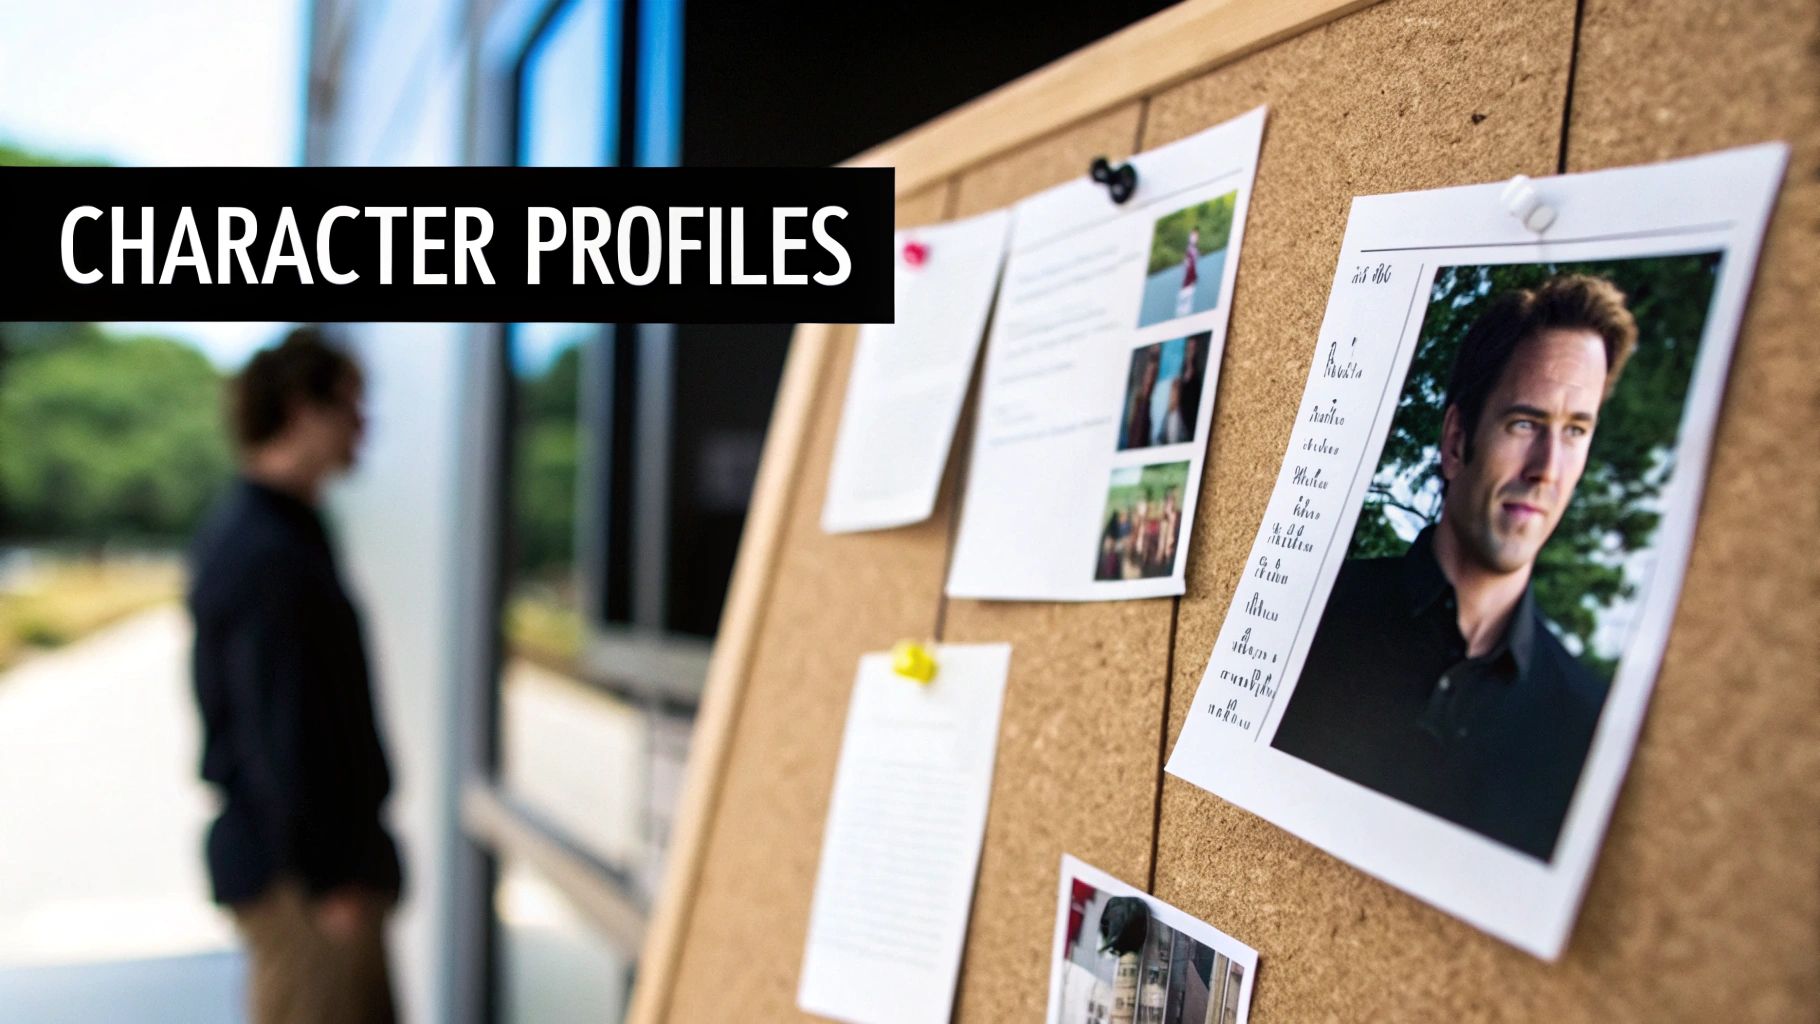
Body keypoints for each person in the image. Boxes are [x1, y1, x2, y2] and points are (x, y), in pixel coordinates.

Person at [1271, 275, 1638, 861]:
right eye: (1525, 423)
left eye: (1575, 431)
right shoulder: (1310, 613)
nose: (1547, 468)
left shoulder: (1588, 722)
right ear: (1456, 441)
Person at [188, 328, 401, 1023]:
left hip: (307, 872)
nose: (362, 426)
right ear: (302, 411)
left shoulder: (280, 532)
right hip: (304, 883)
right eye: (350, 406)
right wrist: (329, 875)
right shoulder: (266, 550)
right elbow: (280, 733)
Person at [1124, 348, 1160, 450]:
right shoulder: (1134, 402)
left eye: (1153, 376)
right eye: (1149, 375)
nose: (1150, 380)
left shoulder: (1154, 406)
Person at [1176, 227, 1200, 318]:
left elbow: (1193, 264)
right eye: (1193, 235)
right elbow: (1187, 265)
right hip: (1186, 282)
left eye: (1196, 236)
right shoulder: (1190, 250)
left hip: (1190, 281)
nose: (1195, 237)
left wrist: (1194, 277)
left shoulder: (1194, 250)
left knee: (1187, 305)